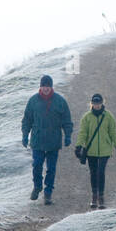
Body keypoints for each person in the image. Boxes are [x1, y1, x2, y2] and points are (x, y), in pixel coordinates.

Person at [21, 74, 73, 205]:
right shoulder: (33, 101)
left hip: (53, 141)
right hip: (37, 140)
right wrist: (25, 135)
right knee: (37, 165)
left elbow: (67, 120)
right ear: (40, 86)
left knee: (51, 168)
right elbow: (27, 119)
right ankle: (37, 186)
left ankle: (48, 193)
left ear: (51, 87)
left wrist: (67, 135)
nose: (46, 88)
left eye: (48, 86)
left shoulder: (60, 101)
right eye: (44, 86)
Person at [75, 93, 116, 209]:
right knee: (93, 173)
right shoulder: (86, 118)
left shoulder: (109, 116)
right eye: (95, 103)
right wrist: (79, 146)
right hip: (91, 151)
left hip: (105, 150)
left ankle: (101, 197)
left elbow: (113, 132)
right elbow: (83, 133)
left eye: (99, 103)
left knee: (101, 172)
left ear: (102, 103)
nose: (97, 106)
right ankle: (94, 196)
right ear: (92, 104)